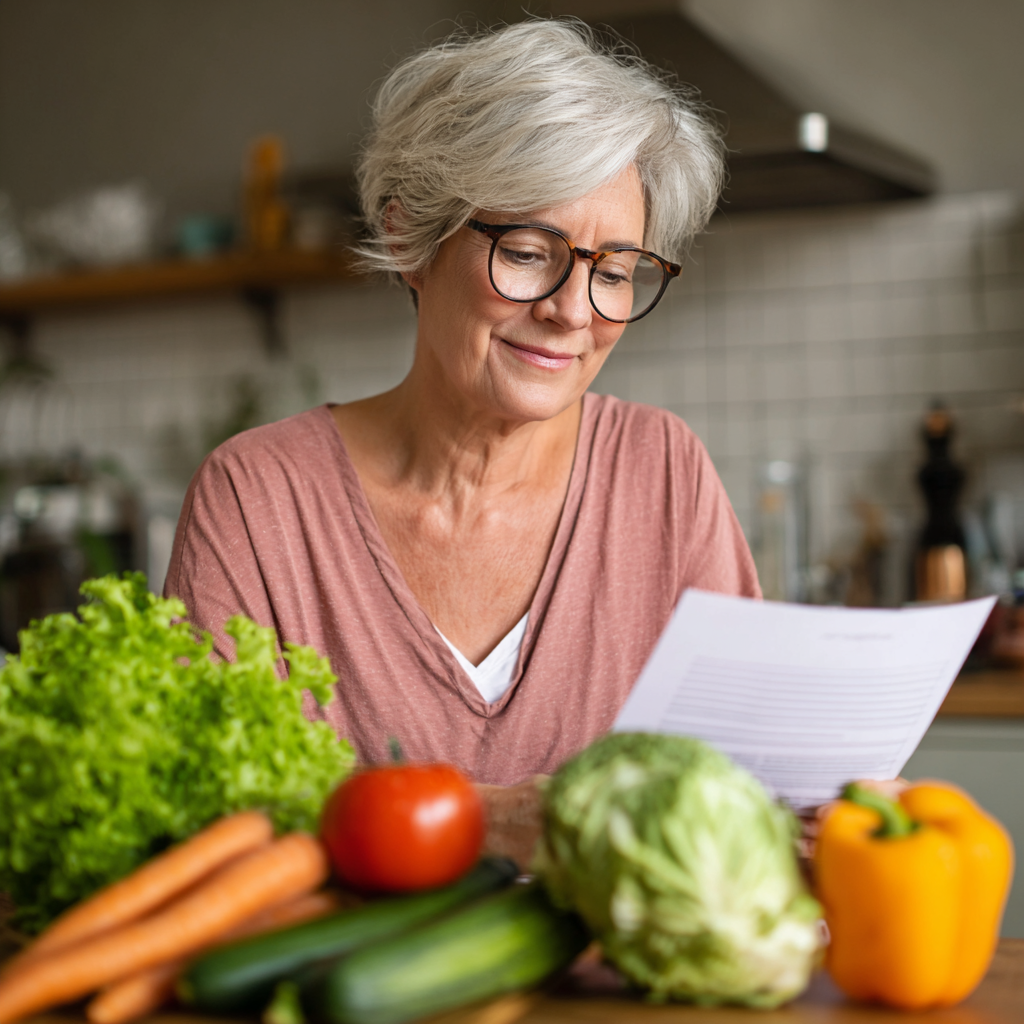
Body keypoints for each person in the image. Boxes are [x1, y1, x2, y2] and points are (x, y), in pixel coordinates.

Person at [165, 19, 760, 865]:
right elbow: (206, 821)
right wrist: (488, 821)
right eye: (527, 252)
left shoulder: (661, 471)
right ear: (411, 240)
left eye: (616, 272)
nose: (573, 309)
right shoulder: (258, 497)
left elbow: (747, 779)